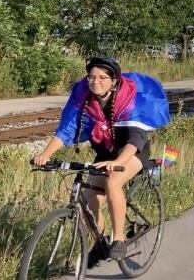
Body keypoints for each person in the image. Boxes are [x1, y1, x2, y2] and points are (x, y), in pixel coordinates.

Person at [32, 56, 170, 265]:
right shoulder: (85, 98)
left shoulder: (128, 98)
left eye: (102, 77)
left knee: (113, 181)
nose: (95, 81)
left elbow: (136, 139)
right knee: (89, 197)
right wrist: (46, 154)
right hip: (105, 153)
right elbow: (66, 129)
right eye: (91, 77)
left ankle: (118, 239)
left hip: (132, 151)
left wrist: (118, 161)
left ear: (114, 80)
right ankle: (100, 243)